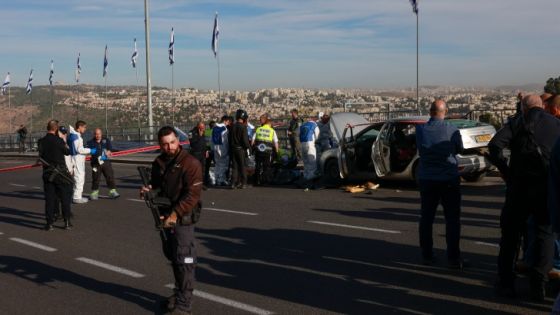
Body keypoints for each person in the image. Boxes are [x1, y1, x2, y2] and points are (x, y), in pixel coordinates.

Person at [489, 94, 560, 301]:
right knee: (544, 235)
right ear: (542, 106)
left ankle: (506, 284)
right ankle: (538, 283)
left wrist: (505, 170)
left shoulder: (517, 122)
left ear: (523, 108)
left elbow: (495, 146)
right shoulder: (555, 124)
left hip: (518, 188)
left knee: (511, 236)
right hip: (544, 188)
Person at [140, 126, 202, 315]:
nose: (170, 147)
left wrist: (174, 215)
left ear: (178, 140)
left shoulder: (190, 163)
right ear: (160, 144)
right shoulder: (158, 162)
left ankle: (184, 303)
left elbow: (192, 196)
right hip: (164, 216)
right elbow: (159, 188)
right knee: (173, 256)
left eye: (173, 142)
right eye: (165, 144)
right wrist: (149, 192)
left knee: (185, 258)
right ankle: (179, 293)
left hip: (182, 217)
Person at [416, 100, 464, 269]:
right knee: (452, 220)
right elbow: (459, 148)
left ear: (430, 112)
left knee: (426, 218)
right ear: (445, 111)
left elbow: (419, 149)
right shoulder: (451, 129)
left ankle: (427, 255)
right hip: (448, 179)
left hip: (427, 178)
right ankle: (453, 258)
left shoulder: (420, 130)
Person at [38, 120, 73, 231]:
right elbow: (67, 152)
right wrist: (64, 141)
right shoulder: (59, 140)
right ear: (56, 128)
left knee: (50, 199)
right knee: (65, 198)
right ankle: (67, 222)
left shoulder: (41, 141)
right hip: (61, 173)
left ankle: (49, 223)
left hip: (48, 173)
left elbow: (41, 156)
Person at [86, 128, 119, 200]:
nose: (97, 135)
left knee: (110, 176)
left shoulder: (106, 140)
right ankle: (94, 192)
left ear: (101, 134)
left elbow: (110, 149)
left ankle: (112, 191)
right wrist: (90, 154)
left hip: (106, 162)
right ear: (94, 134)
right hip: (95, 163)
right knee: (96, 178)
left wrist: (109, 152)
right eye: (96, 134)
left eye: (99, 134)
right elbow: (87, 152)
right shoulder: (90, 142)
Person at [68, 120, 96, 204]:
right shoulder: (76, 136)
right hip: (77, 160)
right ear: (79, 127)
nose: (85, 129)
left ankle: (76, 196)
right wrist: (90, 150)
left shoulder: (74, 136)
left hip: (77, 159)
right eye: (84, 127)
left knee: (79, 178)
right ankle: (77, 197)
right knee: (79, 178)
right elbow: (79, 149)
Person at [252, 114, 279, 186]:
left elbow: (253, 140)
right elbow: (276, 142)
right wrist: (276, 151)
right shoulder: (272, 131)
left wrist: (253, 147)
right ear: (269, 123)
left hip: (258, 150)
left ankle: (256, 181)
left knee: (257, 165)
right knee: (266, 166)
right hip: (267, 151)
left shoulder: (258, 129)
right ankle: (264, 181)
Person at [230, 110, 251, 189]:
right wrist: (248, 148)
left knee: (234, 167)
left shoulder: (232, 126)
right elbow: (245, 140)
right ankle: (244, 183)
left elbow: (229, 139)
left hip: (233, 149)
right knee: (242, 166)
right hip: (240, 149)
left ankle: (233, 183)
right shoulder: (243, 127)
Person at [299, 117, 320, 188]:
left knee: (305, 162)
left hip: (302, 144)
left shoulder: (303, 125)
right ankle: (311, 180)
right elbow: (317, 135)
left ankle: (306, 178)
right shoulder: (315, 125)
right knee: (312, 162)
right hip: (310, 144)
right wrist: (316, 142)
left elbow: (299, 134)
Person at [211, 116, 231, 186]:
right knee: (223, 165)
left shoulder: (215, 127)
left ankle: (216, 179)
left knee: (217, 164)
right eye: (228, 122)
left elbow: (212, 139)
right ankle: (221, 180)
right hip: (222, 148)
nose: (228, 123)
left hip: (215, 148)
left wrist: (213, 148)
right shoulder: (224, 128)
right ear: (225, 121)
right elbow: (225, 140)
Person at [189, 122, 208, 190]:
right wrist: (199, 136)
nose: (202, 129)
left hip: (202, 154)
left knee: (202, 169)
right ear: (197, 126)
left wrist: (206, 151)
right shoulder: (191, 133)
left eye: (203, 127)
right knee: (195, 169)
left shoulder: (203, 132)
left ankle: (201, 184)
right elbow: (192, 144)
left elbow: (204, 142)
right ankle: (194, 184)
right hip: (195, 153)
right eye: (201, 127)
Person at [203, 121, 215, 186]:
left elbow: (205, 141)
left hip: (207, 150)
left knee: (207, 166)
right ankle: (217, 179)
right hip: (214, 150)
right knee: (217, 165)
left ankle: (206, 179)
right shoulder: (215, 132)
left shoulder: (207, 132)